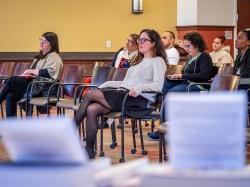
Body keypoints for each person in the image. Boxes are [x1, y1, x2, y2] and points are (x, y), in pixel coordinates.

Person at [75, 29, 167, 159]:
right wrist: (107, 84)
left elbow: (159, 85)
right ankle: (89, 150)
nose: (139, 42)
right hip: (123, 95)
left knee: (90, 94)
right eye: (139, 40)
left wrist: (140, 87)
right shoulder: (138, 61)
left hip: (138, 100)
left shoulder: (158, 61)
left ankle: (69, 129)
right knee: (91, 109)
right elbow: (125, 83)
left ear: (153, 43)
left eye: (143, 40)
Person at [148, 31, 213, 140]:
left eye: (188, 46)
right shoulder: (191, 58)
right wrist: (178, 76)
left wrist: (182, 76)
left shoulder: (204, 56)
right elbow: (187, 74)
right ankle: (163, 128)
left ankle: (164, 129)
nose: (186, 49)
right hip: (189, 84)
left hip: (199, 86)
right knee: (166, 87)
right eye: (185, 46)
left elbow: (204, 75)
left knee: (170, 95)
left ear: (196, 45)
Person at [0, 32, 63, 117]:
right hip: (35, 85)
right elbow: (35, 73)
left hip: (45, 89)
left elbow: (48, 72)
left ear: (52, 44)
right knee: (10, 94)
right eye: (41, 40)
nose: (41, 43)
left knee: (12, 80)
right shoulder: (40, 56)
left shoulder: (54, 56)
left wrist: (31, 71)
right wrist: (26, 74)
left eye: (45, 41)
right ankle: (11, 124)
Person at [233, 29, 250, 97]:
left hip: (246, 86)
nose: (236, 40)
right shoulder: (239, 55)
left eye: (240, 38)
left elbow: (247, 74)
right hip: (238, 84)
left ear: (248, 42)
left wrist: (231, 78)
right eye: (237, 37)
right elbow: (235, 72)